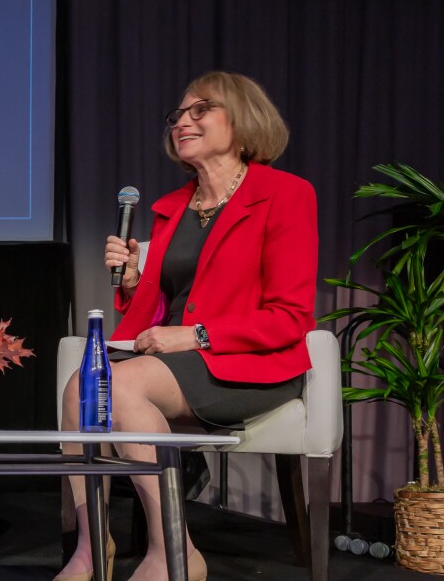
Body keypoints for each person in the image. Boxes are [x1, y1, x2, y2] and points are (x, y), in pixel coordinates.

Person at [57, 71, 318, 581]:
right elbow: (162, 312)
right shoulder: (172, 208)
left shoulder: (285, 195)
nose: (183, 121)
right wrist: (134, 283)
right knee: (80, 387)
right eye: (178, 114)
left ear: (242, 122)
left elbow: (290, 315)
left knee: (116, 383)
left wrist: (198, 336)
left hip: (248, 363)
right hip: (173, 361)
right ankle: (93, 550)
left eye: (202, 109)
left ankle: (172, 548)